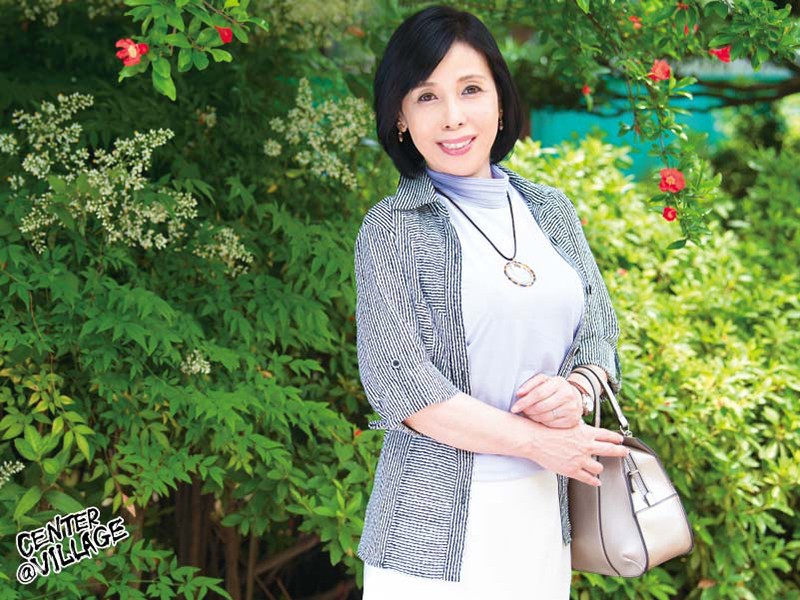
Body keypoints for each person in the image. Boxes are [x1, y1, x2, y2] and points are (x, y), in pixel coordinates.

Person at [354, 5, 629, 599]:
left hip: (541, 521)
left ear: (500, 100)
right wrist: (538, 441)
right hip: (429, 535)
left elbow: (599, 332)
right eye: (426, 97)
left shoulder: (550, 211)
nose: (453, 117)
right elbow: (400, 384)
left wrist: (578, 387)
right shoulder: (394, 228)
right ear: (400, 117)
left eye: (470, 89)